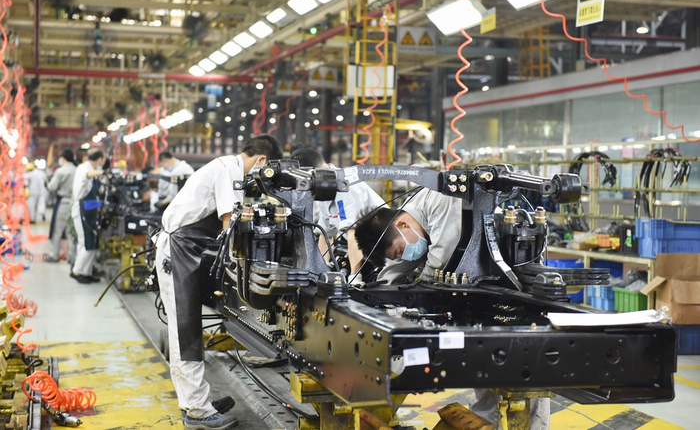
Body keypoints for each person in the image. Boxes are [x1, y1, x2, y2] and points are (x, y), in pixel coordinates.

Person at [354, 188, 550, 429]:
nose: (405, 255)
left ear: (402, 224)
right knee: (486, 366)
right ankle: (486, 421)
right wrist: (377, 292)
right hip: (485, 294)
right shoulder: (413, 223)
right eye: (398, 254)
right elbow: (399, 267)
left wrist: (417, 293)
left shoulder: (438, 197)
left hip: (514, 284)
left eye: (399, 250)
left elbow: (443, 250)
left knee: (527, 369)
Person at [155, 135, 283, 430]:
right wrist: (243, 265)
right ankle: (197, 412)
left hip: (187, 249)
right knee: (185, 331)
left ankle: (196, 401)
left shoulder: (226, 166)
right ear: (262, 160)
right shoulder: (229, 171)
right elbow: (230, 222)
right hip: (179, 250)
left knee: (188, 329)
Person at [291, 146, 385, 281]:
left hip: (384, 246)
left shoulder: (345, 184)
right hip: (366, 248)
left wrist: (355, 276)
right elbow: (326, 234)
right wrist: (320, 270)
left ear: (316, 171)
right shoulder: (322, 188)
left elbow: (354, 233)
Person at [70, 149, 106, 284]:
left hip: (89, 209)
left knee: (91, 242)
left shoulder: (91, 169)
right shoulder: (84, 168)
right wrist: (104, 172)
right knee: (86, 241)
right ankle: (77, 271)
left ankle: (86, 272)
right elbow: (87, 175)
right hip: (82, 210)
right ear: (100, 159)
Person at [45, 149, 77, 262]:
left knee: (57, 230)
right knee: (71, 231)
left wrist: (48, 182)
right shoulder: (76, 170)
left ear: (63, 158)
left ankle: (54, 254)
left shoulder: (61, 171)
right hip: (74, 203)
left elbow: (52, 187)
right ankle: (71, 256)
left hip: (63, 203)